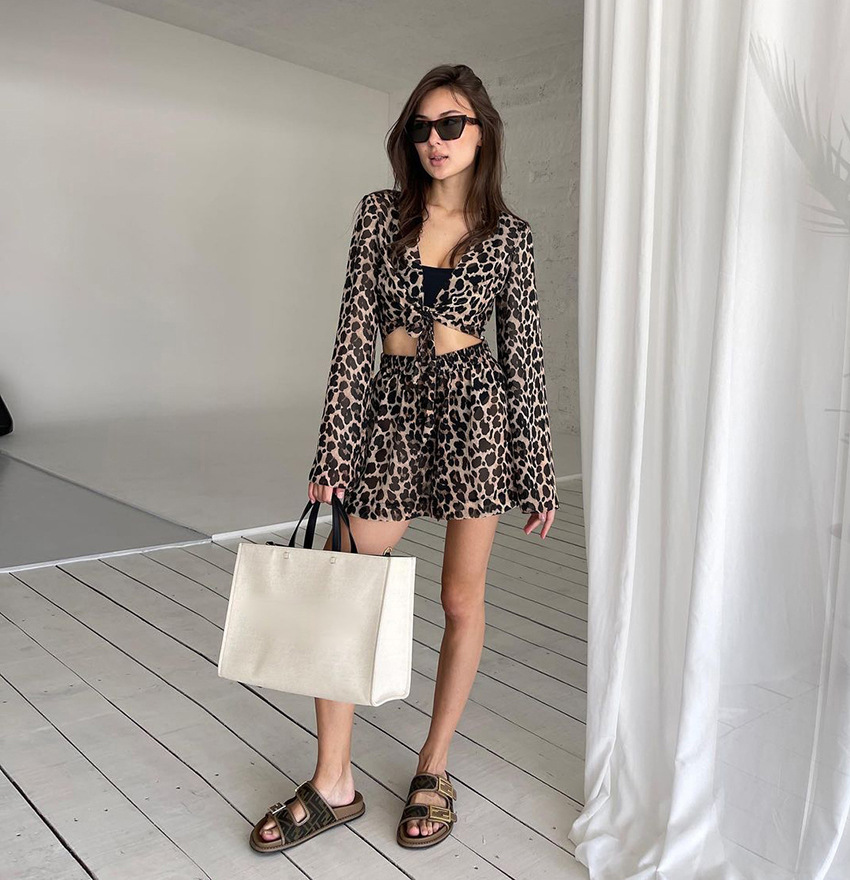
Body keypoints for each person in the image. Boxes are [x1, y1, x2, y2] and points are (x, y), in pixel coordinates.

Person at [249, 63, 560, 854]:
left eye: (450, 124)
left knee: (461, 600)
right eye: (422, 127)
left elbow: (523, 358)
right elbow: (354, 337)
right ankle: (333, 780)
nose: (435, 140)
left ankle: (433, 766)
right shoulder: (379, 215)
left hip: (476, 417)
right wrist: (333, 449)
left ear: (482, 132)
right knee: (344, 583)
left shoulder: (509, 237)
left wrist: (537, 471)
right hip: (390, 413)